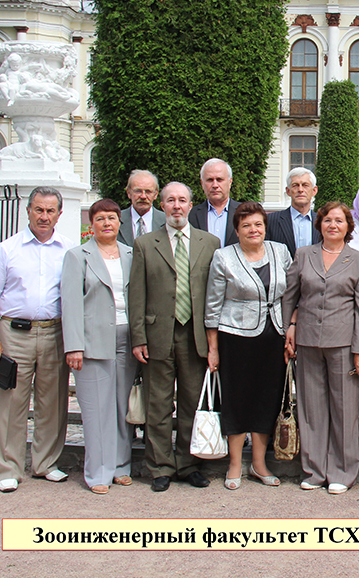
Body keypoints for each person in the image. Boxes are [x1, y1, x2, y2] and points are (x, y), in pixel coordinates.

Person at [0, 186, 73, 493]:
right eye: (38, 210)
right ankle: (8, 467)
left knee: (52, 400)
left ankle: (45, 463)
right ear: (28, 211)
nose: (44, 216)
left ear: (59, 214)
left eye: (50, 211)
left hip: (55, 332)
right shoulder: (8, 249)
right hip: (14, 333)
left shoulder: (68, 250)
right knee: (11, 402)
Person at [128, 182, 220, 492]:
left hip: (194, 334)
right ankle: (160, 466)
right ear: (162, 205)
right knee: (158, 403)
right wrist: (138, 337)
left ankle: (189, 464)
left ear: (191, 205)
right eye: (170, 201)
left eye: (182, 200)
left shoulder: (210, 242)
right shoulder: (145, 243)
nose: (176, 206)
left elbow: (215, 293)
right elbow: (137, 295)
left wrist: (213, 341)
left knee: (193, 403)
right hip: (157, 334)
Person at [283, 201, 359, 494]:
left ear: (348, 227)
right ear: (319, 224)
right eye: (327, 220)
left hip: (344, 344)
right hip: (307, 342)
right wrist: (289, 328)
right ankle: (313, 470)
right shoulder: (303, 254)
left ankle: (342, 471)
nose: (332, 225)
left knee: (344, 409)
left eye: (339, 221)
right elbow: (290, 297)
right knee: (312, 409)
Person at [205, 202, 293, 490]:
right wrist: (213, 347)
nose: (253, 230)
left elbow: (291, 293)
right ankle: (234, 463)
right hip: (236, 338)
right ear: (237, 230)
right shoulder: (223, 257)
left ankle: (258, 463)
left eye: (257, 224)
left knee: (266, 400)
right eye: (246, 225)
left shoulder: (280, 251)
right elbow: (213, 306)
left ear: (265, 227)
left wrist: (291, 328)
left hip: (274, 338)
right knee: (237, 399)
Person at [60, 198, 135, 495]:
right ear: (91, 224)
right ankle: (97, 472)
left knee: (121, 406)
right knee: (96, 409)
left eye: (112, 218)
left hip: (126, 339)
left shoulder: (131, 254)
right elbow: (71, 303)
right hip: (91, 342)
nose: (107, 223)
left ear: (120, 223)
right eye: (100, 218)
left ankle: (121, 466)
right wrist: (74, 346)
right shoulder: (78, 256)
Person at [268, 167, 321, 257]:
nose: (300, 190)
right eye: (295, 185)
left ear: (314, 191)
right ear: (288, 191)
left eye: (305, 185)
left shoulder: (322, 222)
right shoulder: (271, 220)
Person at [188, 158, 240, 248]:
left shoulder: (243, 212)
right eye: (209, 180)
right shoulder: (192, 215)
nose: (215, 185)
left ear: (230, 182)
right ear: (202, 183)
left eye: (219, 179)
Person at [118, 170, 165, 246]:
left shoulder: (166, 222)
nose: (143, 196)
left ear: (155, 194)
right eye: (138, 191)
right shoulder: (117, 220)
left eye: (148, 191)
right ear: (129, 193)